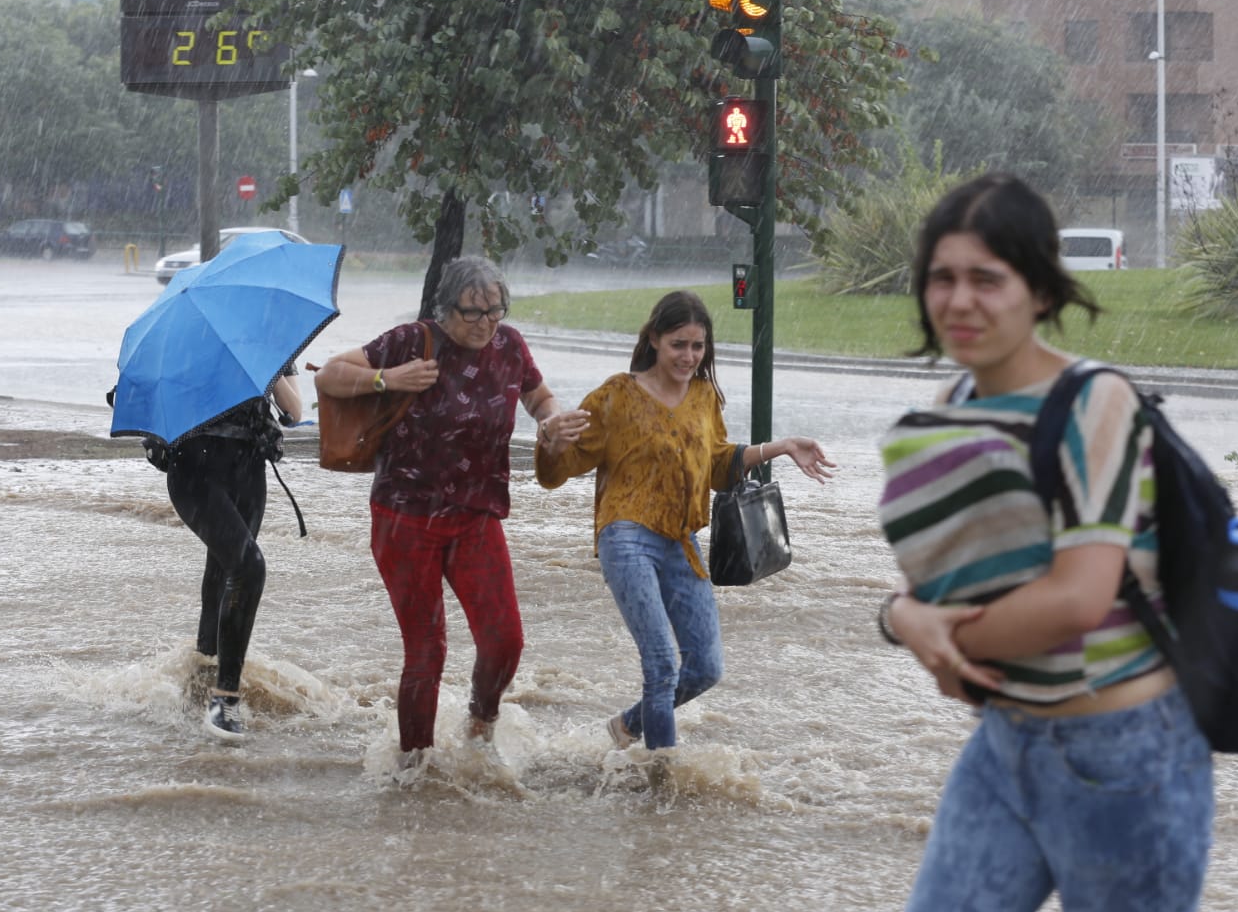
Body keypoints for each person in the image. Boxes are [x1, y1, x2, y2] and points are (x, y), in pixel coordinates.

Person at [874, 173, 1213, 912]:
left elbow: (1076, 597)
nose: (959, 300)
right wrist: (900, 618)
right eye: (941, 277)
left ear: (1038, 289)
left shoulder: (1094, 401)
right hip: (1003, 748)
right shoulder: (950, 403)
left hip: (1126, 762)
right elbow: (936, 585)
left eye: (986, 278)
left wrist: (937, 637)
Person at [535, 290, 835, 752]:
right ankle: (662, 776)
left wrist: (780, 446)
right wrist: (551, 443)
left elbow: (717, 466)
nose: (689, 356)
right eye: (678, 344)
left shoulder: (704, 397)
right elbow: (560, 470)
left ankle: (627, 728)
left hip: (682, 541)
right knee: (661, 665)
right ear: (654, 339)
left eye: (698, 346)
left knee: (705, 668)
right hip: (626, 535)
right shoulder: (616, 395)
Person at [314, 256, 567, 770]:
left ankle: (480, 723)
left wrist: (551, 421)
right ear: (444, 308)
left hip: (476, 516)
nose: (485, 324)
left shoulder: (509, 345)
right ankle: (414, 769)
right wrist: (388, 379)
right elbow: (331, 377)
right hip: (405, 519)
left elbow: (539, 396)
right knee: (427, 651)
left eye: (496, 311)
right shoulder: (411, 341)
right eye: (472, 313)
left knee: (505, 640)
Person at [140, 367, 302, 743]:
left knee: (222, 576)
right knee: (250, 567)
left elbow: (294, 412)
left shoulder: (272, 345)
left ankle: (201, 677)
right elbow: (157, 402)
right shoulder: (187, 343)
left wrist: (268, 369)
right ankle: (225, 700)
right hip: (193, 470)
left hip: (249, 469)